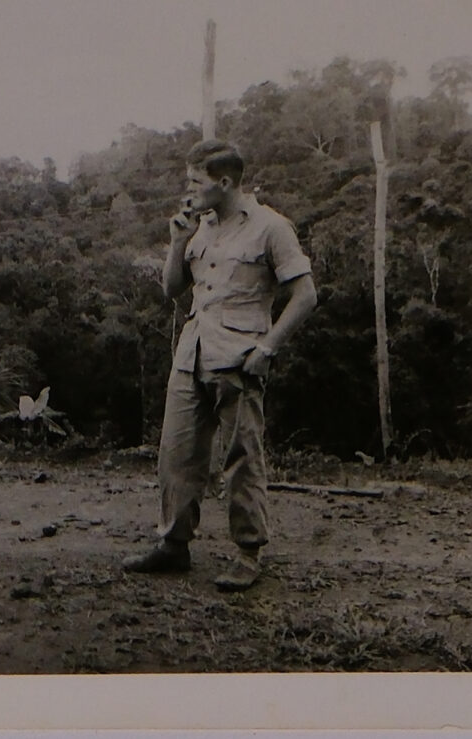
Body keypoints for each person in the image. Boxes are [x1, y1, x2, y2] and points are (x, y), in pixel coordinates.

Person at [123, 140, 317, 592]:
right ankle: (174, 544)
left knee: (242, 458)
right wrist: (177, 242)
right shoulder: (199, 227)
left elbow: (305, 296)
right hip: (192, 354)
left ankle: (248, 553)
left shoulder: (271, 227)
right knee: (176, 454)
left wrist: (267, 348)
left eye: (196, 181)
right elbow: (172, 289)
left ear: (225, 182)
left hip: (239, 359)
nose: (188, 190)